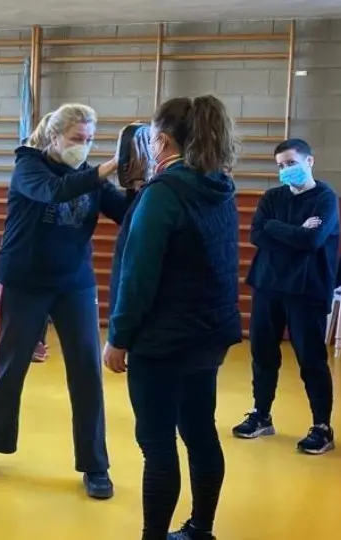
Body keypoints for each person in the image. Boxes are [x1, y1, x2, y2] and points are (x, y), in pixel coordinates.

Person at [0, 104, 138, 500]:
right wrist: (109, 166)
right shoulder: (29, 166)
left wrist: (142, 184)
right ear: (54, 137)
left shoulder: (89, 177)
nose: (84, 146)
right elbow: (53, 192)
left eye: (90, 140)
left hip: (74, 283)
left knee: (86, 375)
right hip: (22, 280)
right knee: (7, 368)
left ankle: (96, 465)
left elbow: (127, 214)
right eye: (78, 139)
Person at [103, 95, 243, 540]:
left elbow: (139, 276)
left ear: (160, 141)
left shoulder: (164, 194)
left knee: (158, 447)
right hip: (207, 334)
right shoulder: (218, 184)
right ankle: (201, 528)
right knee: (201, 434)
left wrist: (118, 337)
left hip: (163, 341)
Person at [233, 138, 340, 455]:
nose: (285, 170)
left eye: (291, 163)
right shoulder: (272, 197)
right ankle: (261, 414)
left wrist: (274, 229)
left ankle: (322, 426)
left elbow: (313, 239)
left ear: (309, 161)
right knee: (262, 354)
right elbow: (256, 234)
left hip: (306, 290)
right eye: (280, 165)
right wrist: (290, 230)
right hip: (268, 285)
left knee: (311, 359)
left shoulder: (325, 198)